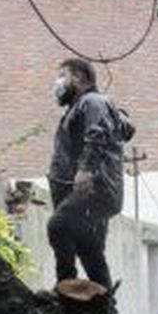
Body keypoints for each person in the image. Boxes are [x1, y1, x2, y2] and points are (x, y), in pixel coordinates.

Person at [46, 58, 125, 290]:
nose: (57, 83)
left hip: (95, 189)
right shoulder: (78, 107)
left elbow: (97, 134)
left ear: (79, 78)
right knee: (89, 248)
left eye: (63, 76)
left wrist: (85, 171)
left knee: (58, 226)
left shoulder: (92, 101)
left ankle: (65, 285)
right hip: (91, 191)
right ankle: (104, 301)